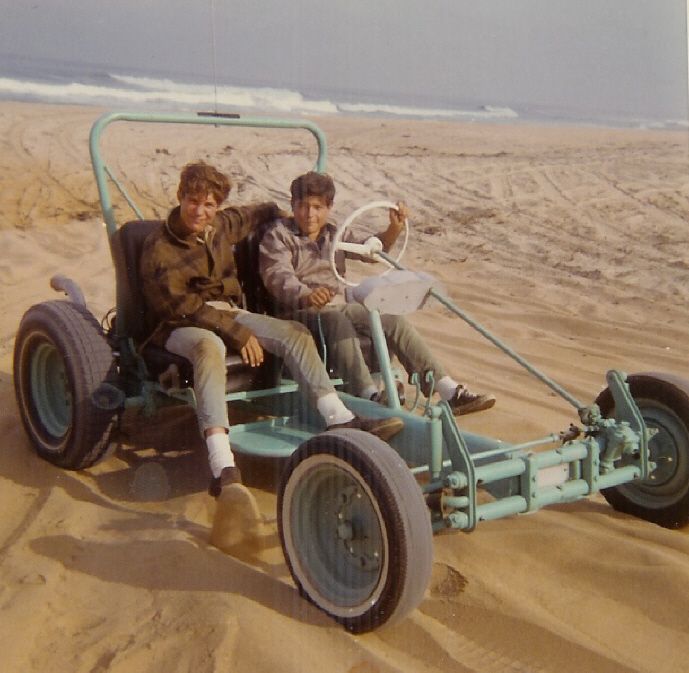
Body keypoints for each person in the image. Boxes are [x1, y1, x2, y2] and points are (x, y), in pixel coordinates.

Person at [140, 162, 403, 499]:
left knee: (293, 332)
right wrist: (238, 333)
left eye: (209, 204)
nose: (200, 211)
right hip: (178, 324)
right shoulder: (159, 246)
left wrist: (292, 216)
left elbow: (259, 212)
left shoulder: (220, 224)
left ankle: (339, 418)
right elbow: (181, 306)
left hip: (227, 312)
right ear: (180, 197)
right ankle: (222, 465)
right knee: (209, 349)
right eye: (193, 201)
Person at [258, 171, 496, 415]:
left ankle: (446, 389)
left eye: (317, 207)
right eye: (303, 206)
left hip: (337, 305)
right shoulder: (278, 235)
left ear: (329, 207)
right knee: (336, 319)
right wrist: (306, 294)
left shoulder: (334, 233)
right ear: (293, 205)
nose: (309, 214)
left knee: (387, 316)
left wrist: (393, 229)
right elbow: (278, 276)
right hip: (295, 313)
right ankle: (367, 394)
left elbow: (369, 250)